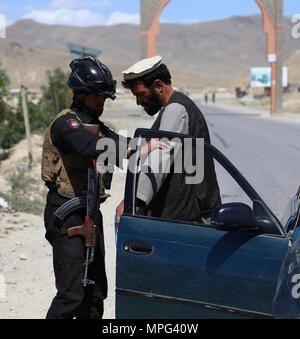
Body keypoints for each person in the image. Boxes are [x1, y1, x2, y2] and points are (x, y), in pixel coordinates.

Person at [41, 57, 167, 319]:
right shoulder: (67, 124)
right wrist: (135, 148)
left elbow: (122, 144)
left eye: (105, 97)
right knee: (71, 294)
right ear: (82, 93)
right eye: (98, 96)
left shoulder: (99, 128)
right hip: (67, 215)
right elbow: (87, 145)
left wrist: (148, 146)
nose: (102, 102)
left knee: (95, 293)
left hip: (90, 215)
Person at [116, 55, 221, 227]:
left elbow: (160, 159)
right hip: (183, 216)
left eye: (141, 94)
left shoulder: (176, 110)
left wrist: (133, 202)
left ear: (158, 85)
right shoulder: (173, 108)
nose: (138, 102)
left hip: (188, 221)